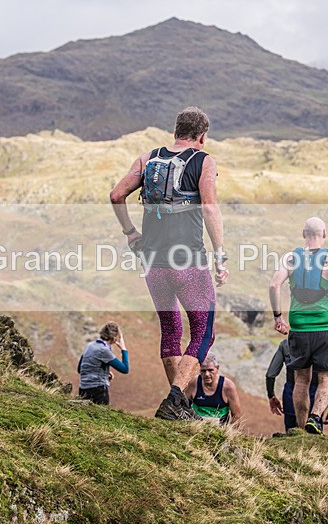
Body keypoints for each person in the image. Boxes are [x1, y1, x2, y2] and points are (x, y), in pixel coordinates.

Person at [109, 107, 228, 421]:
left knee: (171, 329)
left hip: (152, 261)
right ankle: (175, 400)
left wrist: (130, 232)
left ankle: (180, 408)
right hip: (187, 260)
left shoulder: (148, 159)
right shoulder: (204, 160)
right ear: (202, 136)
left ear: (177, 130)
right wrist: (220, 255)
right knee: (204, 332)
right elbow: (210, 208)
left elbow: (117, 195)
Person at [269, 217, 328, 435]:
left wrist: (278, 317)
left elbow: (274, 285)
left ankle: (300, 428)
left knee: (301, 379)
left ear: (303, 234)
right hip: (325, 327)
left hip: (298, 329)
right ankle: (315, 419)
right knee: (327, 378)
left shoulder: (290, 258)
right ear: (324, 233)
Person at [266, 338, 328, 433]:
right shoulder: (323, 343)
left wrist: (271, 395)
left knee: (291, 432)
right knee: (313, 429)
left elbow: (270, 375)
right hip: (315, 394)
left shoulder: (285, 345)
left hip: (290, 393)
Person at [77, 322, 129, 405]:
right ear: (114, 338)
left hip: (83, 389)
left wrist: (105, 373)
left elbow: (80, 369)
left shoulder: (89, 345)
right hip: (98, 391)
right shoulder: (104, 350)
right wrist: (124, 349)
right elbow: (125, 369)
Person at [185, 354, 243, 425]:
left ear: (217, 368)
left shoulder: (228, 386)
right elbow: (183, 405)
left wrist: (230, 434)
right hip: (196, 428)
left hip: (219, 431)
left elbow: (237, 416)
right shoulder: (194, 382)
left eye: (210, 370)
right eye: (203, 371)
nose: (206, 374)